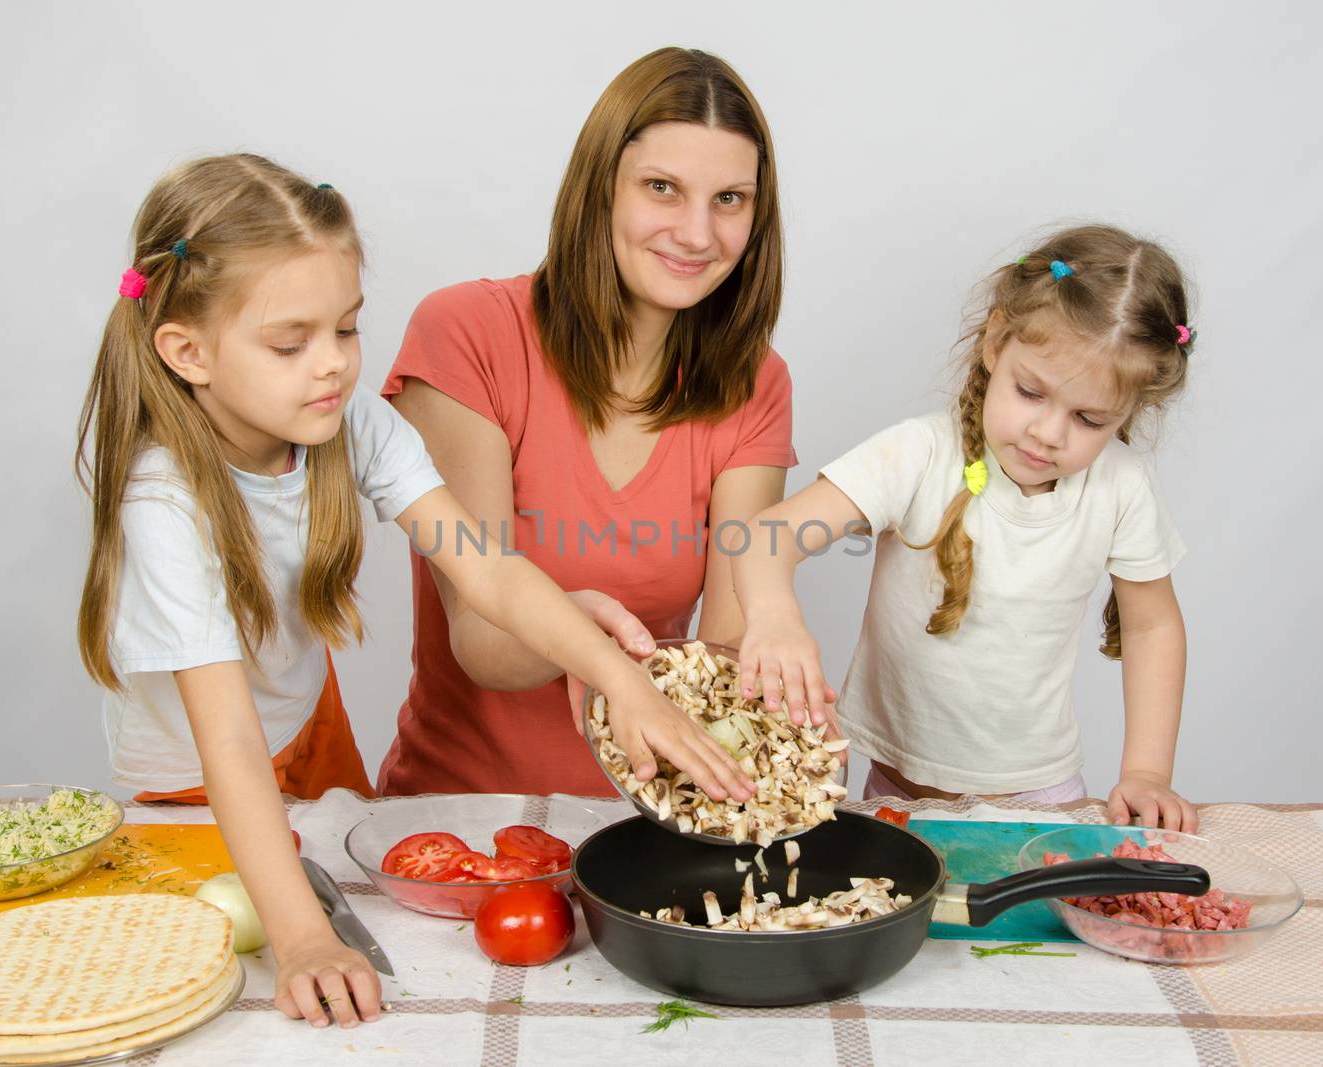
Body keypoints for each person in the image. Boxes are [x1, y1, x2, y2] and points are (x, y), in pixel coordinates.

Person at [75, 154, 750, 1029]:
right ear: (187, 351)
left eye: (346, 330)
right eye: (291, 342)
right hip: (191, 778)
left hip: (305, 730)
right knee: (223, 978)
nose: (333, 366)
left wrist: (622, 678)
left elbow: (489, 568)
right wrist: (304, 940)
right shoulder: (162, 505)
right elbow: (228, 743)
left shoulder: (341, 420)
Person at [377, 47, 810, 796]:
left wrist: (774, 672)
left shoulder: (756, 384)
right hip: (464, 823)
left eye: (730, 199)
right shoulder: (467, 333)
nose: (698, 233)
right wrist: (580, 630)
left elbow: (727, 639)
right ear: (600, 187)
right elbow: (484, 640)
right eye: (662, 188)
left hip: (647, 823)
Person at [731, 224, 1201, 831]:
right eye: (1031, 392)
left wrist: (1148, 772)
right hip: (892, 794)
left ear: (1130, 411)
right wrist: (773, 618)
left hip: (1040, 801)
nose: (1049, 433)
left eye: (1088, 418)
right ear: (995, 343)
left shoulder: (1122, 486)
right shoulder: (919, 454)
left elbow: (1153, 625)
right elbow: (764, 537)